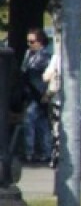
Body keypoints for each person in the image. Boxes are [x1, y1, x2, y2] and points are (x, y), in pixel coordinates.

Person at [44, 32, 81, 180]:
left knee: (60, 136)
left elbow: (46, 77)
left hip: (62, 103)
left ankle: (60, 170)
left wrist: (54, 75)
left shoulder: (58, 58)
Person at [20, 29, 53, 163]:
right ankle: (45, 151)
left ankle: (30, 151)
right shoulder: (29, 54)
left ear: (40, 42)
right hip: (31, 94)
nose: (29, 44)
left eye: (32, 41)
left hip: (40, 94)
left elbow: (45, 76)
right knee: (41, 123)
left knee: (29, 119)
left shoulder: (45, 56)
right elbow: (23, 71)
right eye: (28, 41)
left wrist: (46, 93)